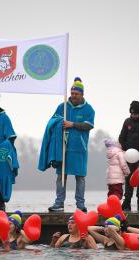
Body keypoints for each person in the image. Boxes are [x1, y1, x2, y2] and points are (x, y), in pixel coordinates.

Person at [45, 78, 95, 212]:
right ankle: (59, 203)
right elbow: (52, 121)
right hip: (63, 148)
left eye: (76, 94)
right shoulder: (63, 106)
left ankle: (80, 205)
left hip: (80, 148)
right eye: (72, 93)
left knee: (80, 177)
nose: (74, 96)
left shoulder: (89, 109)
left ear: (82, 94)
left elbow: (88, 126)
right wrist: (59, 122)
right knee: (61, 175)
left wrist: (72, 124)